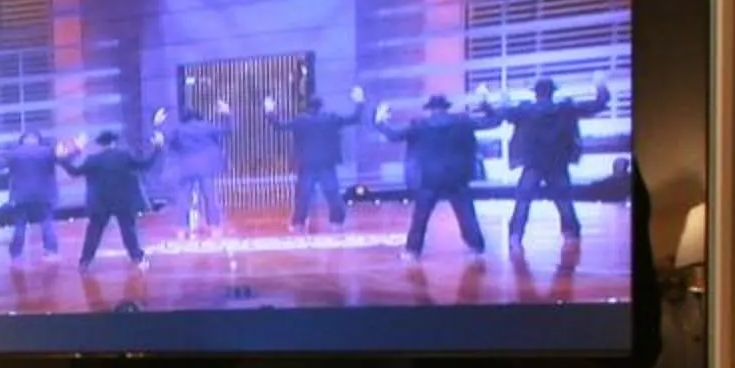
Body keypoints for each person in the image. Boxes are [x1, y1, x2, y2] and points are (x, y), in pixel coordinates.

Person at [495, 76, 612, 245]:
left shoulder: (524, 110)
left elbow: (501, 113)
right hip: (557, 162)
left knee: (523, 200)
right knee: (564, 201)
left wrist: (499, 100)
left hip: (533, 163)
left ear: (536, 93)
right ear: (553, 92)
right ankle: (571, 234)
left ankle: (516, 235)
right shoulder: (565, 109)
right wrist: (601, 86)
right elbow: (598, 105)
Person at [374, 92, 492, 256]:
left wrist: (380, 121)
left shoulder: (420, 125)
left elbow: (393, 135)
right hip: (457, 176)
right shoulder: (462, 122)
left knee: (420, 217)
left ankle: (412, 250)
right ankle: (476, 246)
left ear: (430, 109)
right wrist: (486, 104)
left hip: (430, 177)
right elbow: (491, 122)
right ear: (446, 108)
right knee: (466, 214)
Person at [261, 87, 366, 231]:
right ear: (321, 106)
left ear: (308, 107)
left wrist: (269, 110)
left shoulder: (301, 120)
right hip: (326, 164)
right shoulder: (330, 118)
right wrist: (359, 101)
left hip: (308, 165)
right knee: (332, 194)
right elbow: (355, 118)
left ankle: (298, 223)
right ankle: (337, 222)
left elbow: (278, 125)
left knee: (303, 197)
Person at [58, 129, 160, 265]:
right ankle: (136, 257)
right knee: (128, 231)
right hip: (123, 201)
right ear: (114, 143)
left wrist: (63, 159)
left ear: (101, 144)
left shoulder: (93, 160)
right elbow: (145, 165)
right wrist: (158, 148)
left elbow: (74, 172)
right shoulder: (124, 156)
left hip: (101, 202)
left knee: (94, 233)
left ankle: (85, 261)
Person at [151, 100, 236, 239]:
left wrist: (157, 124)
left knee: (183, 199)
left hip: (186, 169)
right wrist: (227, 113)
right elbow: (228, 130)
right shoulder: (206, 127)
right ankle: (214, 227)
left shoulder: (178, 129)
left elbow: (163, 139)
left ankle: (181, 228)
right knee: (209, 197)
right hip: (205, 168)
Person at [0, 129, 63, 259]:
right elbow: (63, 159)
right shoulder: (47, 152)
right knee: (46, 224)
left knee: (20, 226)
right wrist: (77, 148)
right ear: (38, 139)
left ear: (22, 140)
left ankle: (16, 253)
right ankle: (51, 251)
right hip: (44, 196)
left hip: (20, 197)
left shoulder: (14, 153)